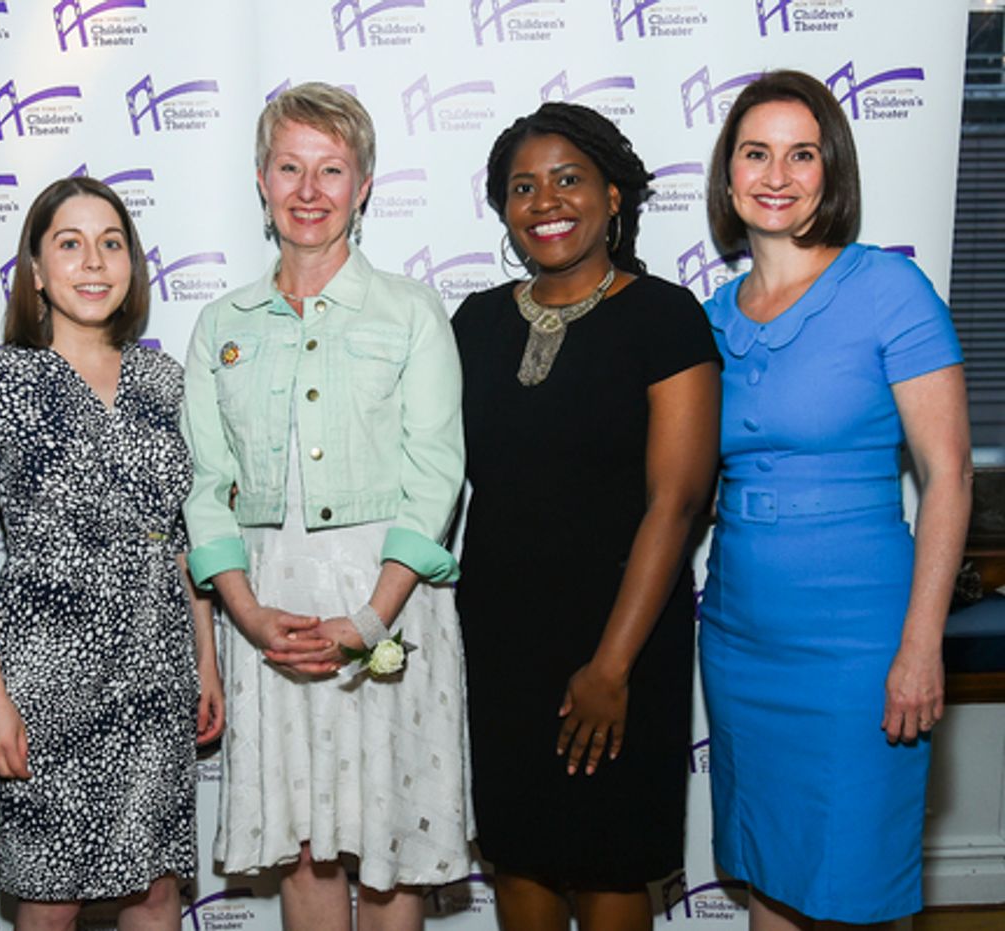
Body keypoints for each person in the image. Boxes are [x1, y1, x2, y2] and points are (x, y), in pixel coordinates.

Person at [180, 82, 472, 931]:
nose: (310, 192)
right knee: (304, 840)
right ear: (262, 181)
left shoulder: (412, 312)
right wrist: (249, 615)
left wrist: (370, 619)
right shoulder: (220, 323)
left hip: (392, 598)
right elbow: (207, 489)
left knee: (388, 842)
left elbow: (435, 476)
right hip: (267, 601)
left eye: (332, 170)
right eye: (290, 168)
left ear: (365, 184)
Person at [700, 70, 971, 929]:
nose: (777, 175)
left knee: (854, 886)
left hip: (863, 638)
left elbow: (950, 476)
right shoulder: (710, 316)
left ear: (832, 170)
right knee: (771, 874)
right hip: (741, 636)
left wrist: (921, 645)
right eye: (756, 153)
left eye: (801, 154)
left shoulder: (890, 290)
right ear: (729, 173)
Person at [450, 102, 721, 931]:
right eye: (522, 187)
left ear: (612, 194)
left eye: (567, 179)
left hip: (622, 637)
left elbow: (674, 506)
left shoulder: (666, 317)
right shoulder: (474, 322)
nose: (545, 201)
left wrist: (610, 667)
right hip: (501, 636)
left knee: (610, 859)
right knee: (521, 854)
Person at [0, 176, 224, 931]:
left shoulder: (165, 381)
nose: (93, 261)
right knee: (48, 901)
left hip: (156, 671)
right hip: (40, 681)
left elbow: (182, 533)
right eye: (68, 244)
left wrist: (205, 659)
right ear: (36, 269)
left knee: (156, 891)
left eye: (111, 243)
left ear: (134, 264)